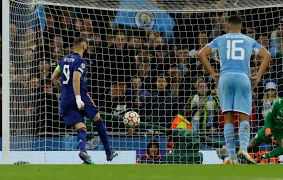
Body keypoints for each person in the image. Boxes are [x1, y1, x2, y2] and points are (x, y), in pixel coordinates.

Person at [198, 15, 271, 164]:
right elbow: (267, 55)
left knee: (228, 118)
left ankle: (231, 156)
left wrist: (212, 73)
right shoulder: (249, 40)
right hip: (243, 77)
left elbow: (201, 54)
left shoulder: (220, 39)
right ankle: (243, 149)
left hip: (225, 78)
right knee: (244, 116)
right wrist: (257, 76)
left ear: (226, 26)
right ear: (241, 27)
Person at [51, 37, 116, 164]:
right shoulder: (80, 61)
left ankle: (83, 151)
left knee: (80, 126)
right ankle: (109, 152)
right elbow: (76, 78)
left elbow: (53, 78)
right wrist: (78, 98)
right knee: (97, 119)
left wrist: (63, 91)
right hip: (80, 96)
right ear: (84, 47)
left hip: (65, 99)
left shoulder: (63, 60)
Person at [98, 112, 228, 164]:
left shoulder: (181, 131)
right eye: (152, 148)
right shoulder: (142, 159)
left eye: (155, 148)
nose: (154, 150)